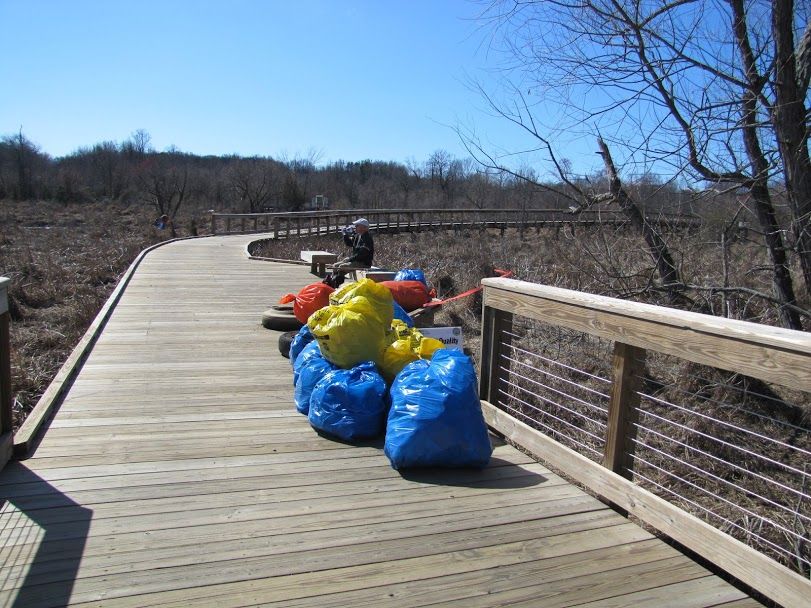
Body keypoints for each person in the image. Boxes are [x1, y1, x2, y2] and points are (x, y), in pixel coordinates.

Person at [323, 218, 374, 287]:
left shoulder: (367, 239)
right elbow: (349, 244)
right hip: (356, 261)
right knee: (335, 265)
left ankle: (334, 284)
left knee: (342, 267)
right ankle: (331, 282)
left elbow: (362, 254)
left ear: (363, 227)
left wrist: (349, 259)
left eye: (357, 226)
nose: (355, 227)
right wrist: (345, 235)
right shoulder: (358, 236)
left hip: (364, 263)